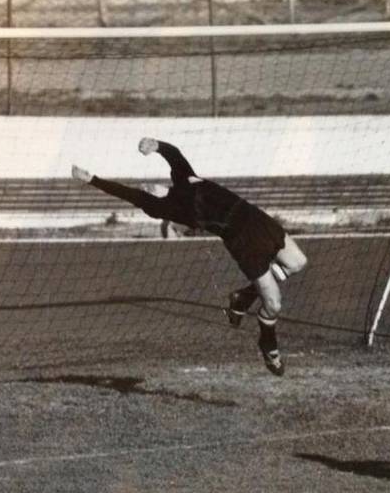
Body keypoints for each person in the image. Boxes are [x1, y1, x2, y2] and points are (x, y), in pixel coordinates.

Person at [72, 138, 307, 375]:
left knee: (298, 262)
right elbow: (127, 194)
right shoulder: (165, 208)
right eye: (144, 190)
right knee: (273, 305)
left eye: (147, 184)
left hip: (257, 219)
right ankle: (268, 345)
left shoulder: (183, 177)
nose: (145, 186)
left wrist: (156, 145)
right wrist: (93, 180)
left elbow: (174, 154)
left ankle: (243, 297)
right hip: (242, 242)